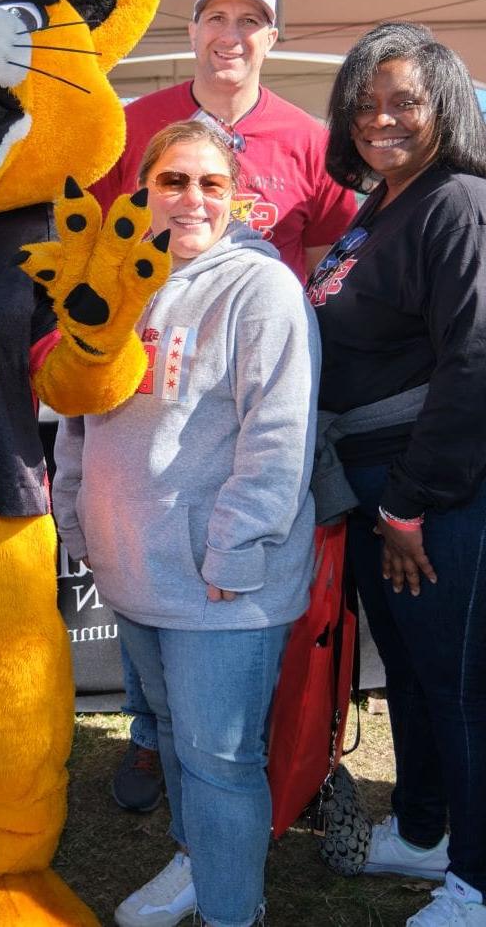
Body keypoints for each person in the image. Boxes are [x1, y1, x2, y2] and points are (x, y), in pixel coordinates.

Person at [308, 24, 486, 927]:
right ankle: (421, 832)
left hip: (464, 471)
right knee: (416, 671)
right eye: (364, 103)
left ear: (445, 108)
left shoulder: (462, 203)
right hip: (396, 478)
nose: (381, 118)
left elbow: (481, 362)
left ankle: (480, 888)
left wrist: (411, 505)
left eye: (404, 100)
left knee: (459, 678)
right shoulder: (381, 204)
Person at [89, 0, 357, 813]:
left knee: (227, 612)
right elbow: (90, 245)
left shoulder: (308, 138)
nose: (231, 34)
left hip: (251, 388)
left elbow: (338, 258)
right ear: (192, 30)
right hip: (144, 393)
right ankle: (149, 737)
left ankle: (245, 760)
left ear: (272, 37)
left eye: (250, 19)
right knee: (145, 573)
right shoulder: (134, 124)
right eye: (215, 16)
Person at [54, 120, 320, 927]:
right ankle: (198, 859)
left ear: (236, 196)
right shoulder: (116, 284)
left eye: (210, 182)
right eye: (174, 180)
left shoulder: (262, 288)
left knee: (220, 757)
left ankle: (235, 908)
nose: (192, 198)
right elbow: (78, 415)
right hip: (136, 572)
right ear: (142, 191)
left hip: (220, 583)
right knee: (170, 734)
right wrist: (78, 521)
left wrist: (232, 552)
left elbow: (278, 435)